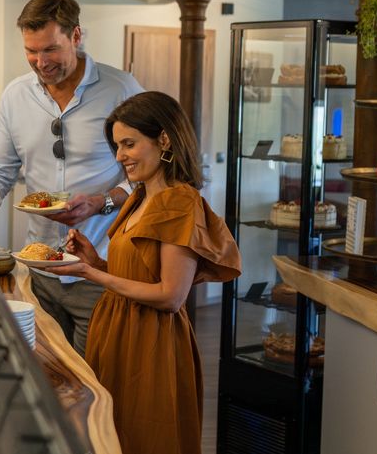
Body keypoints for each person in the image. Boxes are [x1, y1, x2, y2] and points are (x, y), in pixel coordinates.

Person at [0, 0, 143, 357]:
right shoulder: (15, 96)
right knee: (47, 374)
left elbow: (145, 174)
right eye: (31, 51)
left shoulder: (121, 89)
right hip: (38, 274)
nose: (41, 62)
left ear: (76, 36)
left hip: (101, 270)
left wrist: (101, 203)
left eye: (50, 50)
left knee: (94, 378)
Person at [50, 91, 241, 454]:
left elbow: (170, 296)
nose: (119, 156)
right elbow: (140, 274)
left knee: (144, 437)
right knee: (111, 434)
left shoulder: (178, 202)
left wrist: (92, 275)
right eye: (117, 146)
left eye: (129, 144)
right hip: (117, 329)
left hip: (150, 341)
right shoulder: (140, 197)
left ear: (164, 139)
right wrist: (95, 262)